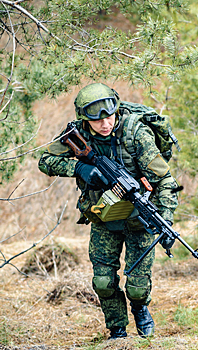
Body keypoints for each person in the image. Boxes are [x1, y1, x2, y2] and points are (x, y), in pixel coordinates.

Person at [38, 83, 180, 339]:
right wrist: (78, 169)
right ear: (84, 119)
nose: (105, 124)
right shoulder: (78, 132)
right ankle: (116, 329)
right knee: (103, 282)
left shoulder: (135, 133)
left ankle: (139, 308)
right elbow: (45, 160)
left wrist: (166, 218)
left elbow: (165, 181)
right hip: (104, 218)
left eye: (109, 116)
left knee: (137, 287)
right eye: (97, 119)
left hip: (140, 219)